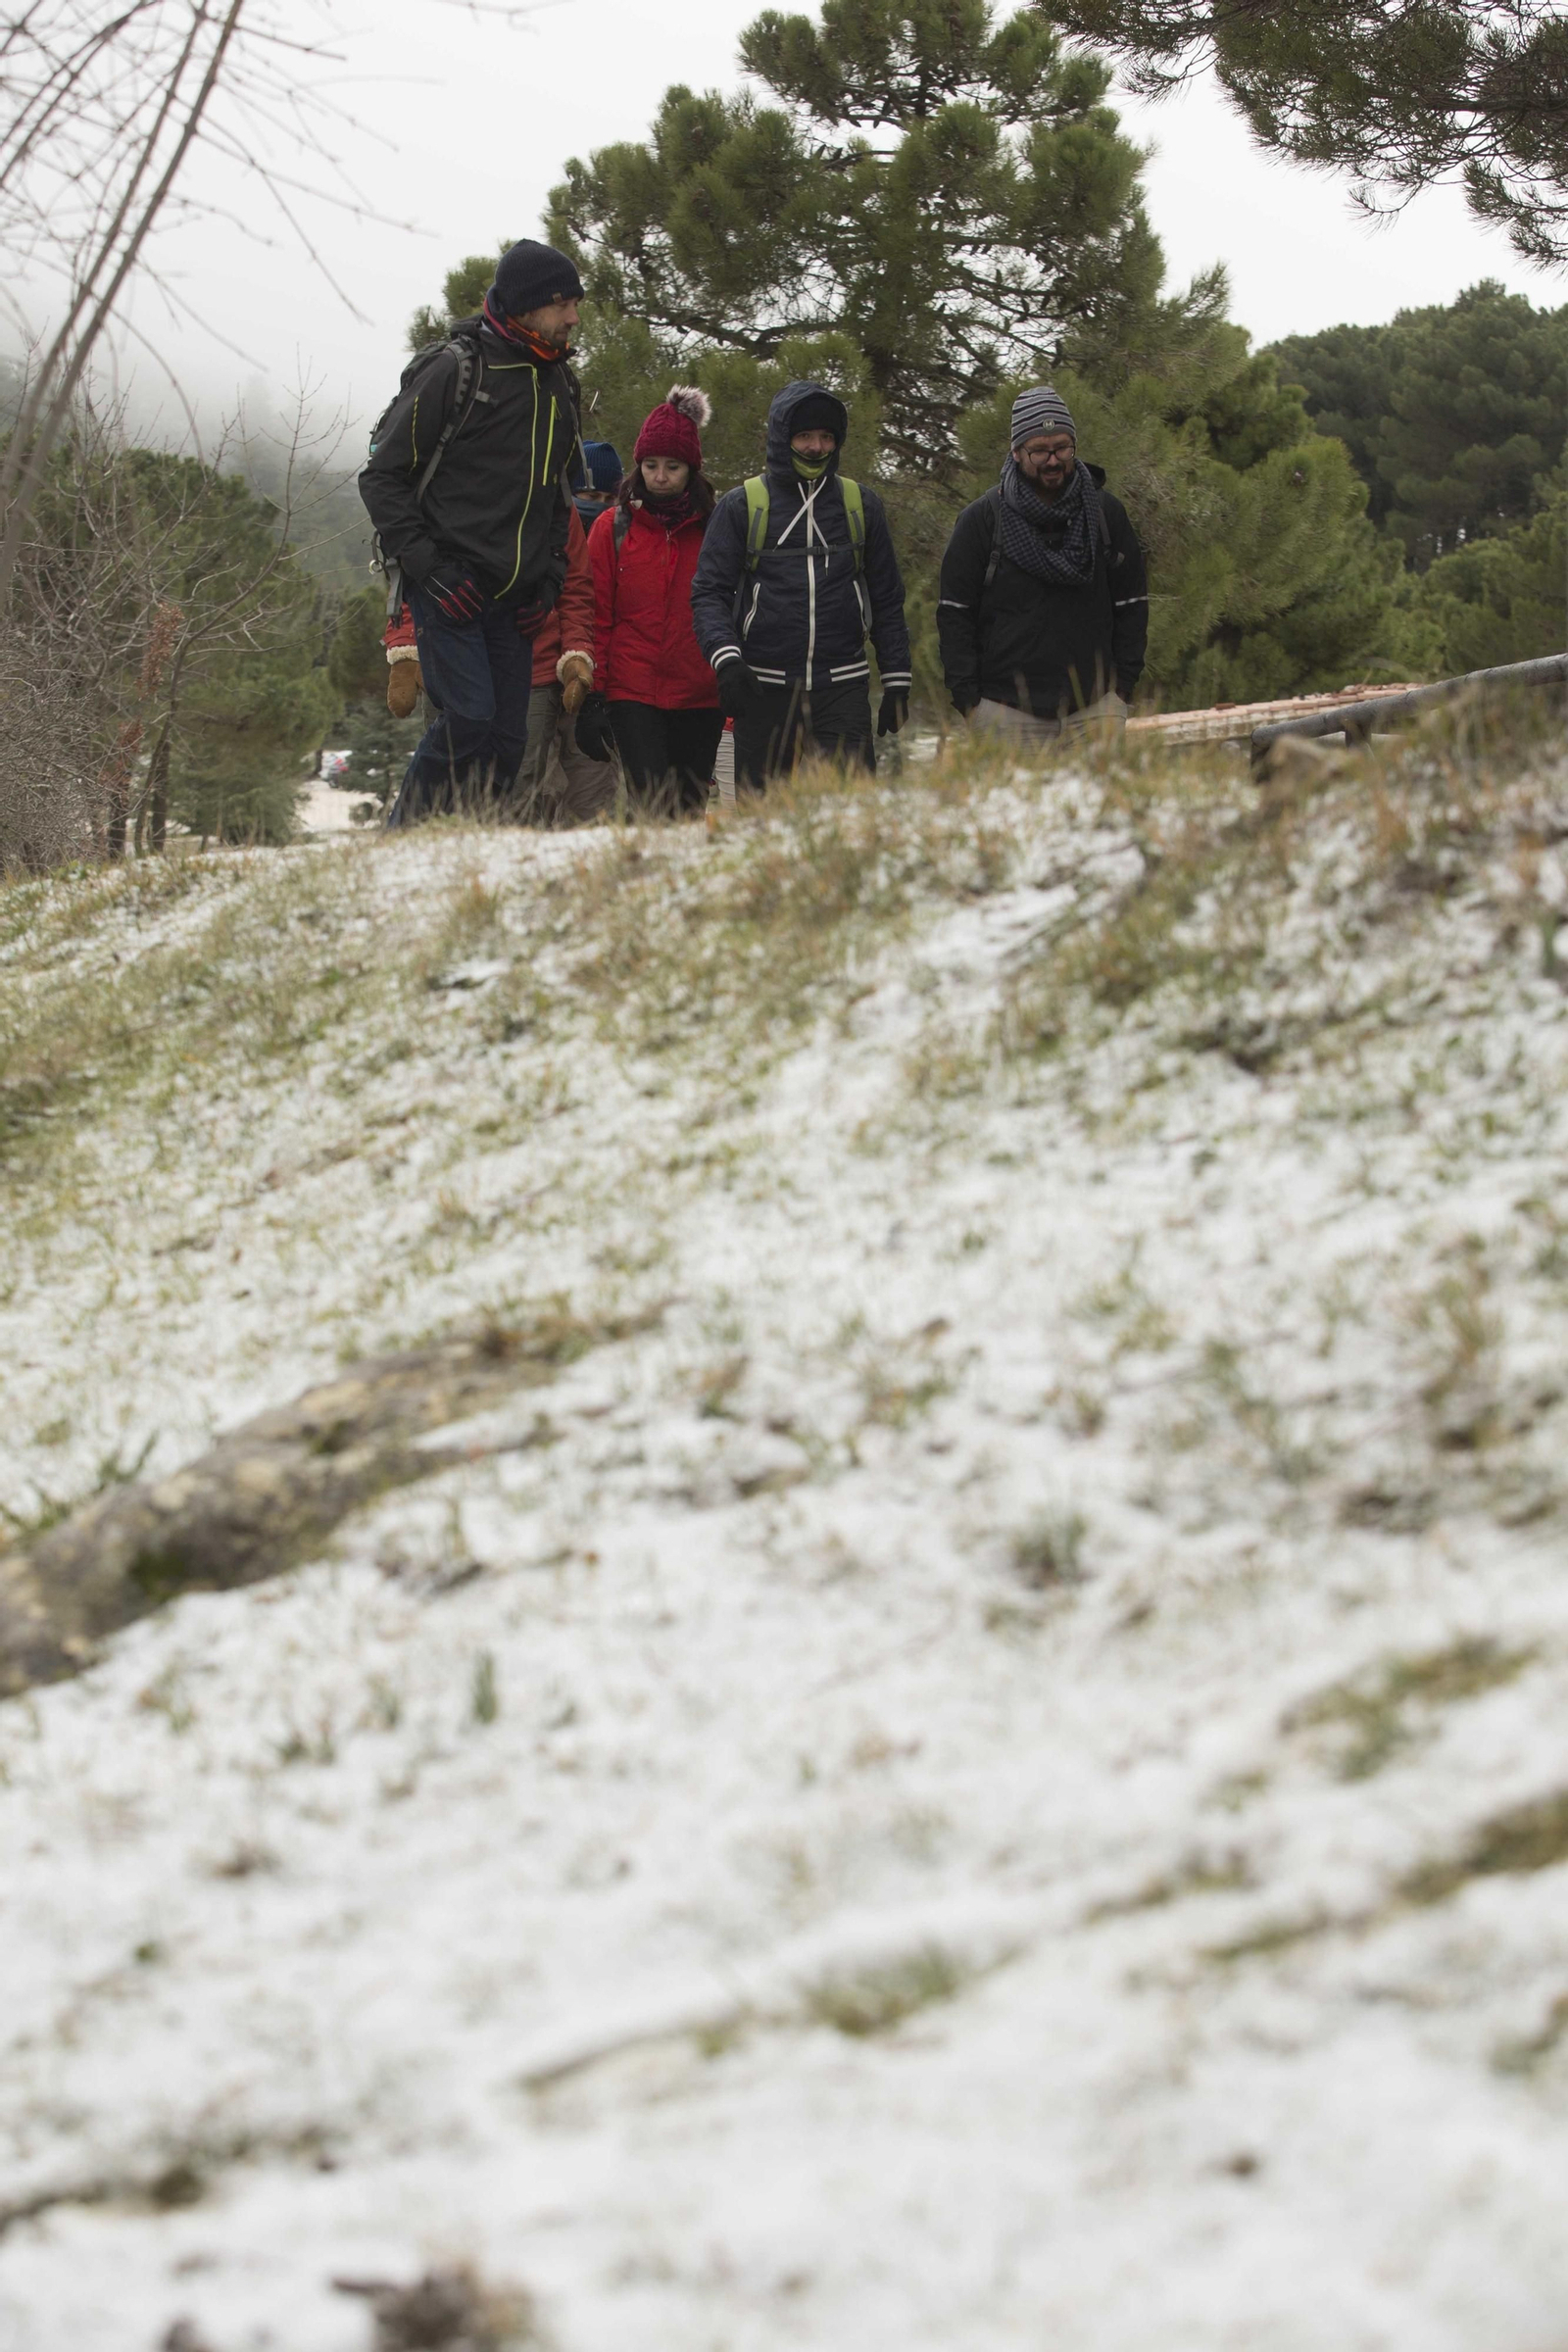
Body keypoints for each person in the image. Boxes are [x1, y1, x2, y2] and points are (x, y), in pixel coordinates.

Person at [359, 238, 584, 825]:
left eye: (575, 303)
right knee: (469, 721)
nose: (573, 317)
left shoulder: (561, 386)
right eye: (562, 303)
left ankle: (464, 846)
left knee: (508, 742)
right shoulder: (456, 370)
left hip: (517, 604)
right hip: (448, 593)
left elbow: (561, 498)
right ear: (525, 305)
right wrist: (429, 569)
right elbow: (381, 478)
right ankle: (403, 842)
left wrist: (549, 581)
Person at [689, 380, 910, 790]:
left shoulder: (861, 505)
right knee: (763, 822)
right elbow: (709, 593)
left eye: (827, 437)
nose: (816, 447)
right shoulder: (742, 505)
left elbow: (886, 598)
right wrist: (727, 660)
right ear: (781, 438)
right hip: (762, 688)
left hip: (843, 688)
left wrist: (897, 676)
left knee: (852, 816)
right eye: (804, 436)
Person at [937, 385, 1148, 745]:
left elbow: (1132, 603)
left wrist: (1122, 689)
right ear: (1016, 452)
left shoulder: (1105, 514)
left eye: (1062, 447)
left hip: (1095, 713)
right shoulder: (982, 520)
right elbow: (955, 613)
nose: (1053, 460)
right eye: (1038, 451)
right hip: (1006, 717)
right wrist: (970, 703)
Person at [583, 387, 721, 814]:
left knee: (690, 809)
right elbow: (596, 616)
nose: (660, 476)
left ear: (691, 468)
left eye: (672, 466)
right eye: (650, 465)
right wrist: (594, 696)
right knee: (652, 806)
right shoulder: (611, 528)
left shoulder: (717, 529)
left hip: (701, 693)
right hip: (633, 692)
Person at [572, 440, 622, 534]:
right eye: (592, 496)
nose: (601, 503)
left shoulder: (621, 533)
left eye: (609, 498)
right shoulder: (553, 530)